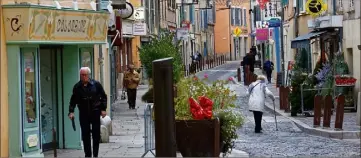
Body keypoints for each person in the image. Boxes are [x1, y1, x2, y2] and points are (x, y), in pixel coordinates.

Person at [68, 67, 107, 157]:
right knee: (85, 134)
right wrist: (71, 111)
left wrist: (103, 109)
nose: (83, 77)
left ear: (89, 75)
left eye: (85, 75)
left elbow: (103, 96)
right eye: (82, 75)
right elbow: (73, 100)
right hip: (83, 112)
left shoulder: (96, 84)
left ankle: (95, 154)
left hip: (95, 111)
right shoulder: (77, 87)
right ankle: (88, 154)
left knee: (96, 134)